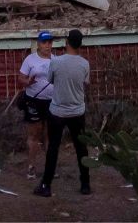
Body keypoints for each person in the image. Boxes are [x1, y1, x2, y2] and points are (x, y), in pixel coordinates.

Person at [35, 29, 92, 198]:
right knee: (81, 147)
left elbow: (50, 80)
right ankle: (85, 184)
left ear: (67, 43)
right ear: (80, 45)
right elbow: (86, 83)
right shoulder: (84, 64)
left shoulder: (56, 62)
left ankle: (46, 184)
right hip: (77, 111)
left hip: (58, 111)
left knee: (53, 147)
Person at [18, 31, 56, 178]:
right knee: (34, 134)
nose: (48, 45)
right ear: (39, 44)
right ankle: (31, 167)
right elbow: (21, 78)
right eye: (45, 42)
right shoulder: (30, 60)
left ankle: (49, 168)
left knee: (50, 135)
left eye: (50, 42)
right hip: (34, 99)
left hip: (52, 101)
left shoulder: (55, 60)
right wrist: (28, 82)